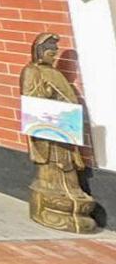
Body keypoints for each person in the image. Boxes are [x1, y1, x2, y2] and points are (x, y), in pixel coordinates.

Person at [19, 33, 98, 233]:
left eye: (55, 53)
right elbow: (30, 98)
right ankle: (50, 200)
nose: (53, 57)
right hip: (47, 132)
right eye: (49, 52)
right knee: (50, 169)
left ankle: (73, 198)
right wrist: (45, 94)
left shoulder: (56, 74)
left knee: (68, 169)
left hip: (63, 132)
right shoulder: (31, 71)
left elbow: (68, 98)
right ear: (39, 52)